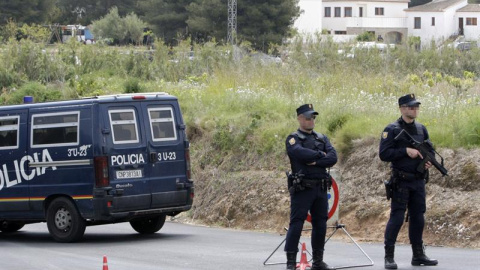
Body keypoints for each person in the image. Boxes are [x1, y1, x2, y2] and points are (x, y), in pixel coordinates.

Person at [379, 94, 438, 269]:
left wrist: (428, 161)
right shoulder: (391, 129)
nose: (414, 109)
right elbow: (384, 154)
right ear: (402, 108)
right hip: (401, 181)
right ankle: (389, 256)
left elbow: (430, 149)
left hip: (418, 181)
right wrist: (405, 151)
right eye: (411, 107)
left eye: (416, 107)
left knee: (418, 218)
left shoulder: (421, 129)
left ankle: (418, 255)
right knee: (396, 218)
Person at [284, 104, 337, 270]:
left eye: (313, 117)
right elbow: (299, 153)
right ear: (299, 118)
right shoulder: (293, 138)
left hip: (320, 188)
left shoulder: (321, 138)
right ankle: (291, 262)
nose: (311, 120)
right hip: (303, 188)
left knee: (320, 224)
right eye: (307, 117)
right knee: (297, 223)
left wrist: (317, 159)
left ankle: (318, 260)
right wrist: (321, 155)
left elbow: (333, 157)